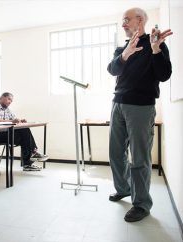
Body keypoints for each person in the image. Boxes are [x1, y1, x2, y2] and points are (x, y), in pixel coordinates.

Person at [107, 7, 172, 222]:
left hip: (141, 107)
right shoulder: (122, 48)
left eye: (127, 20)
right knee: (116, 154)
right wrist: (126, 54)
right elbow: (112, 70)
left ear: (140, 21)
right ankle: (123, 188)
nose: (123, 24)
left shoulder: (157, 44)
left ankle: (142, 204)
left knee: (139, 158)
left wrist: (155, 49)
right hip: (118, 104)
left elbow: (164, 75)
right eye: (122, 20)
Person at [0, 92, 48, 171]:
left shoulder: (8, 110)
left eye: (11, 101)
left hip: (7, 133)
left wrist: (20, 120)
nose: (10, 102)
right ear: (1, 98)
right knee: (25, 134)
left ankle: (27, 164)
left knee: (25, 136)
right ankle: (33, 153)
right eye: (9, 99)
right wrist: (11, 121)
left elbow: (14, 119)